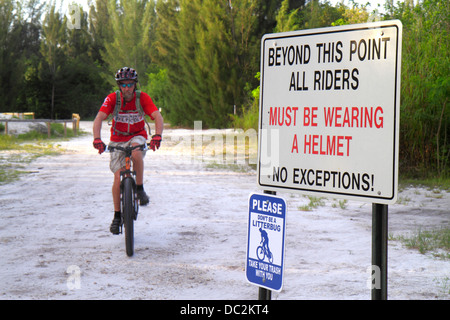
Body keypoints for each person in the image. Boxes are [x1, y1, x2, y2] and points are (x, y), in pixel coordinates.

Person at [92, 67, 164, 235]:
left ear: (135, 85)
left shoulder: (142, 98)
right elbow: (99, 118)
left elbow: (157, 116)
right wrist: (97, 138)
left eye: (130, 84)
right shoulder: (113, 99)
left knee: (137, 153)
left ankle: (139, 188)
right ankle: (117, 216)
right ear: (119, 86)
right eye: (123, 85)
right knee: (117, 177)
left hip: (137, 135)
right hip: (117, 138)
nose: (127, 88)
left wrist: (157, 136)